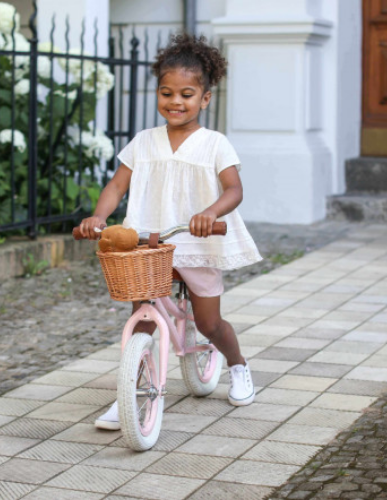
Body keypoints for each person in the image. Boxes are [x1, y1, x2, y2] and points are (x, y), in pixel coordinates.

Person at [79, 33, 262, 431]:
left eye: (187, 94)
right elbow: (115, 187)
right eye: (166, 93)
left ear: (205, 98)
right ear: (158, 94)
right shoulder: (144, 142)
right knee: (141, 320)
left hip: (196, 243)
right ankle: (129, 393)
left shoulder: (215, 144)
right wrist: (98, 217)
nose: (175, 102)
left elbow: (234, 189)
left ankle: (238, 366)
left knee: (210, 324)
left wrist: (209, 211)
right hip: (148, 244)